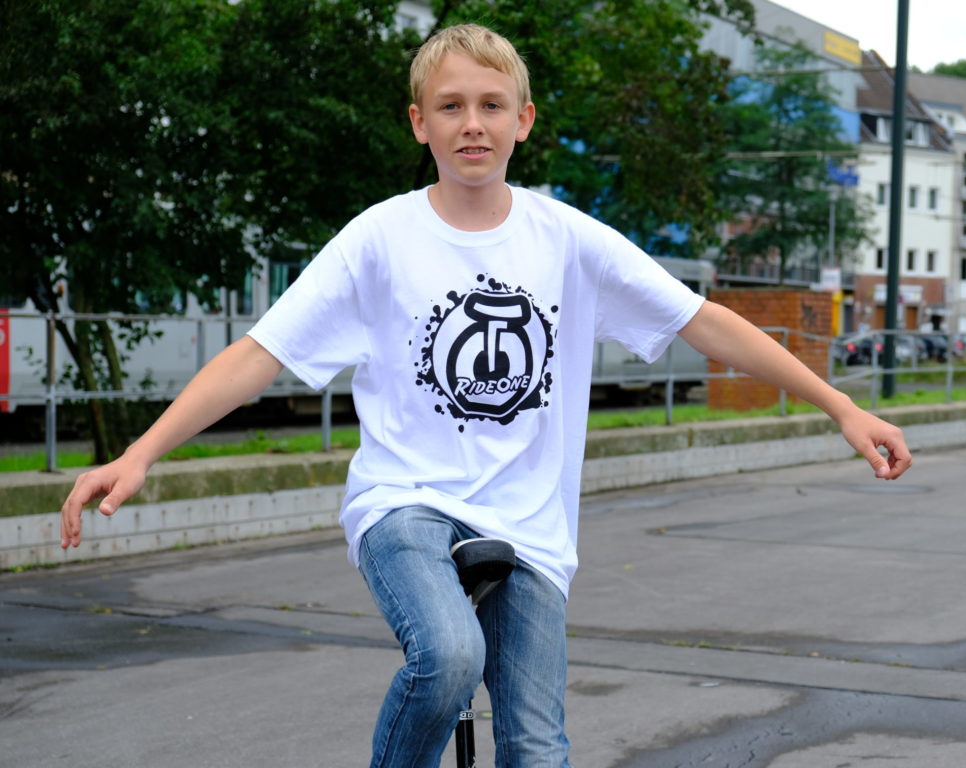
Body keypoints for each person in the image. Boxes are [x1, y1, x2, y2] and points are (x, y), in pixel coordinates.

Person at [59, 23, 912, 768]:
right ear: (419, 123)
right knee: (447, 655)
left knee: (538, 748)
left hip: (531, 528)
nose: (474, 123)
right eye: (453, 105)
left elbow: (705, 322)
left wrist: (841, 406)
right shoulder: (380, 239)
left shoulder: (569, 240)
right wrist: (140, 453)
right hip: (408, 502)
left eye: (493, 105)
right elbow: (258, 355)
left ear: (523, 121)